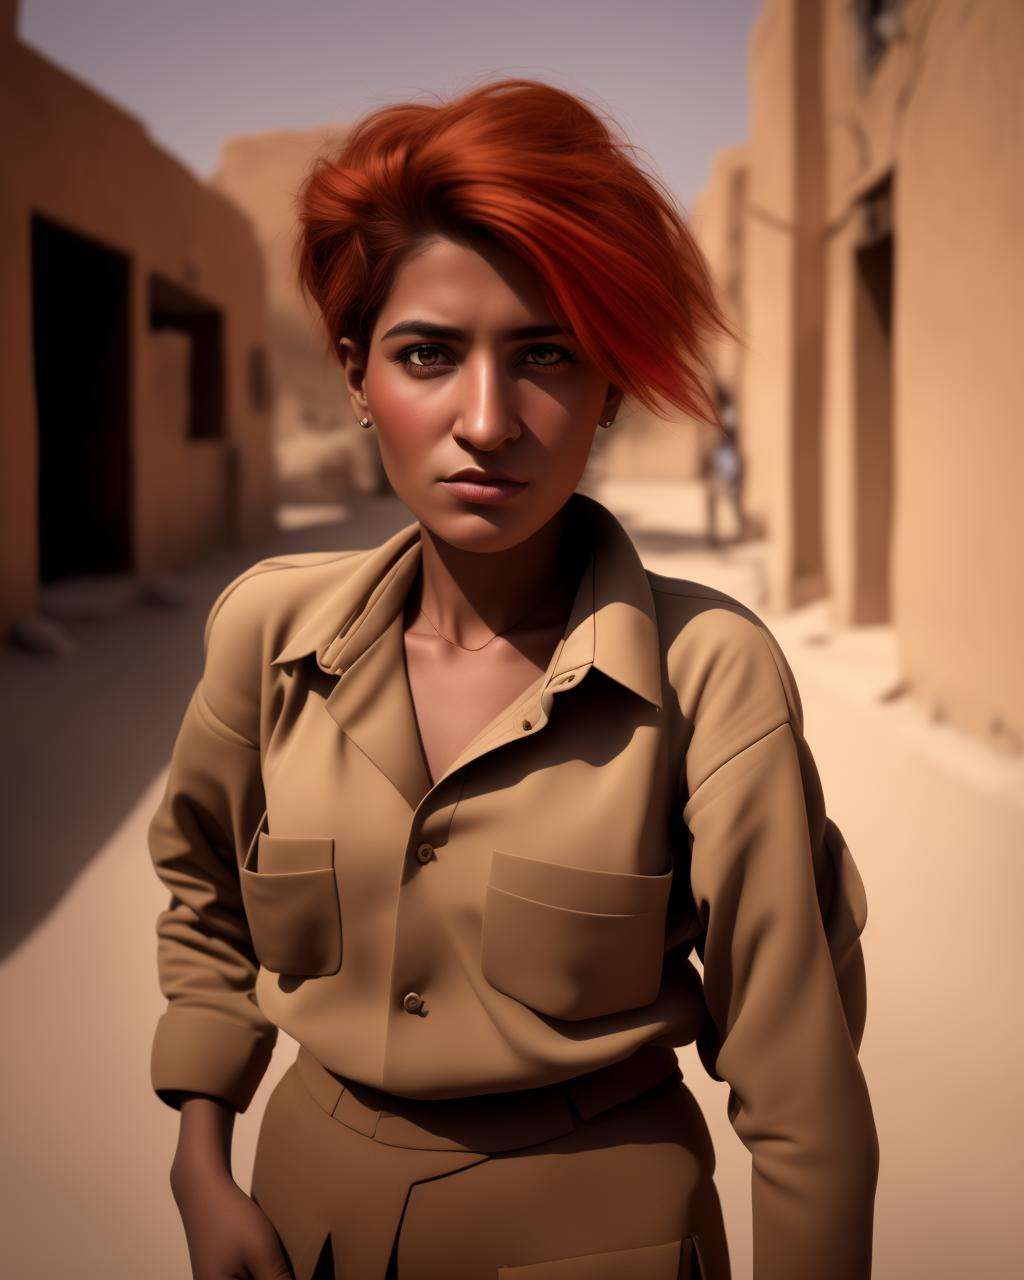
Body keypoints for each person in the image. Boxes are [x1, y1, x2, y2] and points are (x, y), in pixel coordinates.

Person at [149, 79, 878, 1280]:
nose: (486, 420)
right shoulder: (266, 636)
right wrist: (199, 1155)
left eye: (545, 356)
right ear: (354, 372)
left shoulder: (709, 676)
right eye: (427, 354)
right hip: (299, 1229)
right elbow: (205, 903)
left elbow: (801, 1097)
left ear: (609, 390)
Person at [703, 381, 747, 548]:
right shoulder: (724, 413)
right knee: (718, 499)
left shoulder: (728, 413)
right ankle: (715, 535)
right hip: (723, 458)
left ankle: (731, 534)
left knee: (727, 498)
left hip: (726, 459)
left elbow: (729, 437)